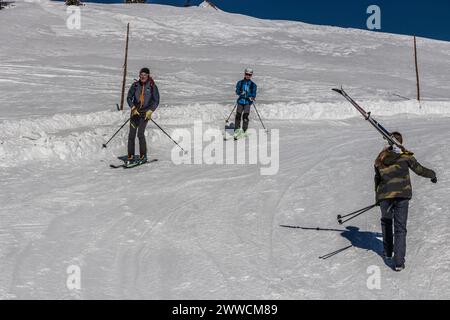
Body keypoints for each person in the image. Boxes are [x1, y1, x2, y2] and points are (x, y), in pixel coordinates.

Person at [374, 132, 437, 271]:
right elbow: (419, 170)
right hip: (402, 195)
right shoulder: (405, 156)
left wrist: (377, 199)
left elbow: (377, 180)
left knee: (386, 222)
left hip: (385, 196)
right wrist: (433, 175)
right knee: (400, 228)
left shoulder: (380, 158)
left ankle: (388, 252)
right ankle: (398, 262)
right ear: (400, 143)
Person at [126, 67, 160, 164]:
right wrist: (132, 107)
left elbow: (156, 100)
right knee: (131, 135)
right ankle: (130, 156)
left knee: (140, 134)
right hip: (135, 112)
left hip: (145, 113)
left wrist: (150, 111)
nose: (142, 77)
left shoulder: (152, 86)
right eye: (141, 75)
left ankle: (143, 156)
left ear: (148, 75)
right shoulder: (135, 85)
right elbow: (128, 97)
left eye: (145, 75)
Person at [234, 68, 257, 139]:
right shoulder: (240, 83)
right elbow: (237, 91)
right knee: (238, 116)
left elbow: (254, 93)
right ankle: (237, 131)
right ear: (244, 74)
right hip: (240, 101)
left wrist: (252, 97)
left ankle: (244, 130)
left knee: (245, 117)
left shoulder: (253, 85)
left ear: (251, 75)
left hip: (247, 102)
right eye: (247, 74)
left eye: (249, 75)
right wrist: (240, 92)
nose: (248, 76)